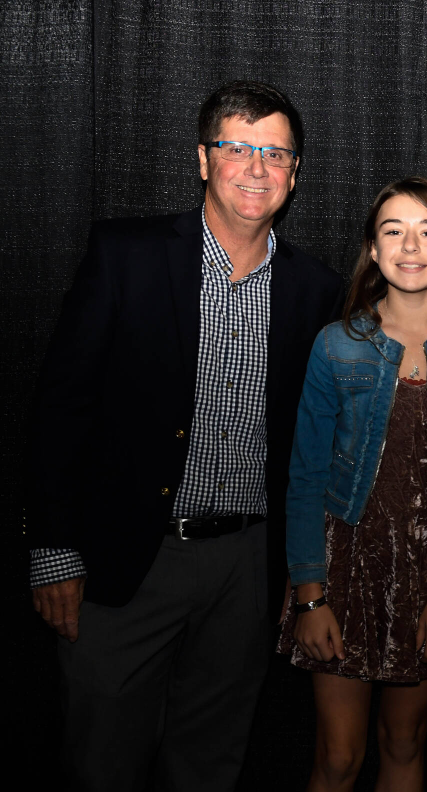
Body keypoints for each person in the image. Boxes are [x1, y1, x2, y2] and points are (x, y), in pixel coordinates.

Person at [25, 81, 343, 790]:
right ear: (204, 160)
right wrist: (52, 551)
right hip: (127, 557)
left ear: (295, 174)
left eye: (275, 153)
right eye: (237, 148)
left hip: (246, 568)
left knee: (212, 760)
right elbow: (60, 407)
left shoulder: (314, 289)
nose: (256, 167)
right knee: (101, 758)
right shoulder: (125, 255)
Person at [278, 176, 427, 791]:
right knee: (339, 757)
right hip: (341, 570)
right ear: (373, 251)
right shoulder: (336, 346)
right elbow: (305, 479)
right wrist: (310, 596)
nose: (410, 245)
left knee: (404, 743)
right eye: (393, 230)